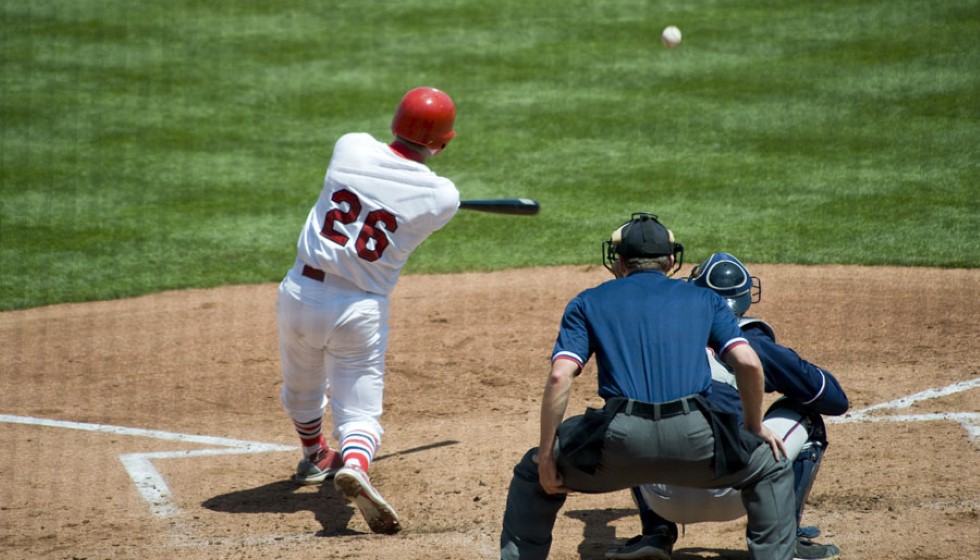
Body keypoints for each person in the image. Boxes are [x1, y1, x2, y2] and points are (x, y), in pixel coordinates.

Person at [499, 213, 799, 560]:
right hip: (697, 444)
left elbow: (559, 376)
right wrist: (751, 428)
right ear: (671, 260)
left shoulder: (587, 301)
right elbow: (748, 363)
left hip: (618, 446)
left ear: (619, 261)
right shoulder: (706, 300)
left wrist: (547, 456)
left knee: (531, 471)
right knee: (772, 467)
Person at [276, 86, 460, 535]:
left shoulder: (350, 146)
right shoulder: (442, 198)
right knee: (359, 412)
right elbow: (422, 198)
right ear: (443, 141)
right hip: (358, 309)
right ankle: (355, 462)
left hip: (300, 294)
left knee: (301, 388)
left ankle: (316, 455)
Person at [606, 252, 849, 560]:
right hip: (735, 492)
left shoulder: (660, 338)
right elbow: (835, 401)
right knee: (806, 415)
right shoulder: (753, 344)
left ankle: (656, 534)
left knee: (638, 410)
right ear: (746, 297)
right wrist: (782, 366)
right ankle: (786, 540)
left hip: (661, 495)